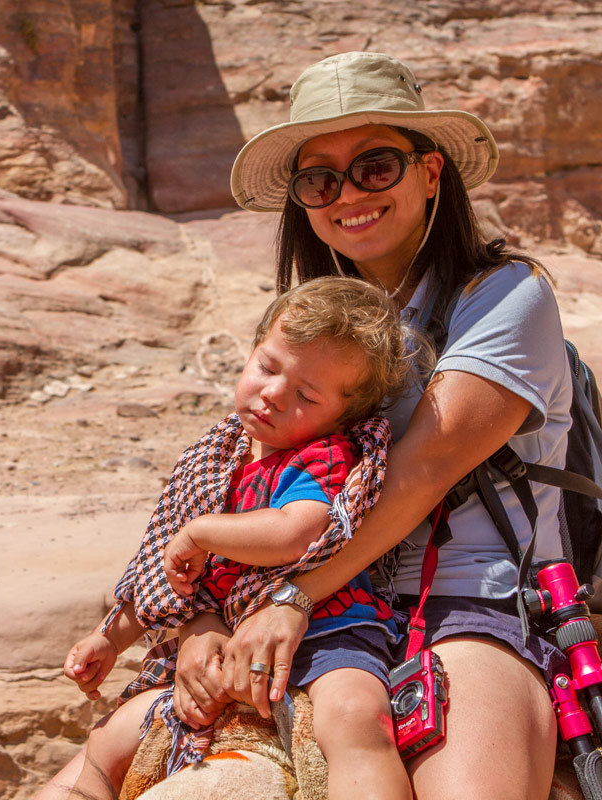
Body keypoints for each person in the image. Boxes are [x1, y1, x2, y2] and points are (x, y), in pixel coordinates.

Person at [171, 51, 571, 800]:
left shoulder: (505, 295)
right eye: (320, 178)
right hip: (321, 604)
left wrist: (294, 598)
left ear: (430, 174)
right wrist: (200, 624)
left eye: (376, 166)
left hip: (465, 600)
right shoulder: (316, 327)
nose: (347, 193)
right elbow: (237, 483)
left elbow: (423, 469)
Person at [39, 276, 421, 800]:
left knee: (356, 720)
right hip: (221, 630)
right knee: (110, 735)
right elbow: (164, 572)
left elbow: (295, 532)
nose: (272, 395)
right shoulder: (216, 457)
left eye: (306, 395)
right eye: (266, 367)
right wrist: (110, 638)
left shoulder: (323, 456)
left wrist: (201, 533)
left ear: (344, 416)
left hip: (326, 629)